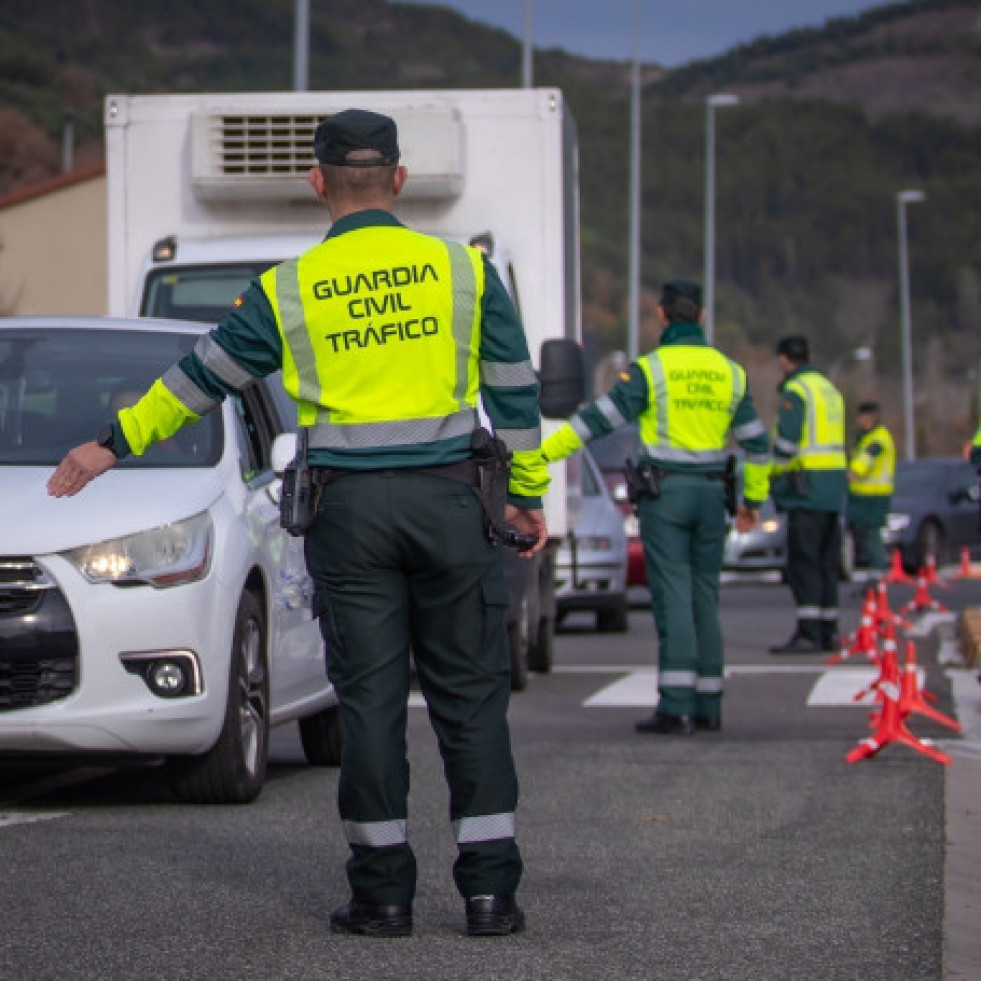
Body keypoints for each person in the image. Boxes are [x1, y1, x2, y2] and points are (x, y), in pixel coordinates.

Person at [47, 109, 549, 939]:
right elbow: (517, 392)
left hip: (349, 515)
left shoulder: (288, 289)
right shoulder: (465, 270)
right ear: (398, 178)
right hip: (451, 503)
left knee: (372, 703)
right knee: (469, 699)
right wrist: (523, 493)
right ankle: (490, 892)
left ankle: (383, 895)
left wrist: (114, 443)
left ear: (317, 183)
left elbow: (199, 379)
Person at [540, 280, 769, 735]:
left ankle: (676, 705)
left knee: (673, 596)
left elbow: (596, 421)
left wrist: (541, 453)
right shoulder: (731, 373)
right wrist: (751, 502)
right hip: (712, 497)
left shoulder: (651, 370)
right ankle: (709, 704)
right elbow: (758, 446)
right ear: (702, 317)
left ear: (662, 316)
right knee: (706, 595)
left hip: (666, 496)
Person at [768, 335, 847, 654]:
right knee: (828, 561)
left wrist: (773, 473)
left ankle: (808, 632)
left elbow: (787, 442)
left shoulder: (796, 391)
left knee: (804, 562)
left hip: (806, 486)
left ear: (785, 360)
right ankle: (828, 630)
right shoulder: (829, 389)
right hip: (832, 486)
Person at [847, 401, 895, 580]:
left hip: (875, 495)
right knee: (866, 538)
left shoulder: (878, 438)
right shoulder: (866, 437)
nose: (861, 421)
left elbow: (866, 459)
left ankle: (877, 579)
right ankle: (873, 577)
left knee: (872, 537)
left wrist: (853, 472)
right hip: (864, 494)